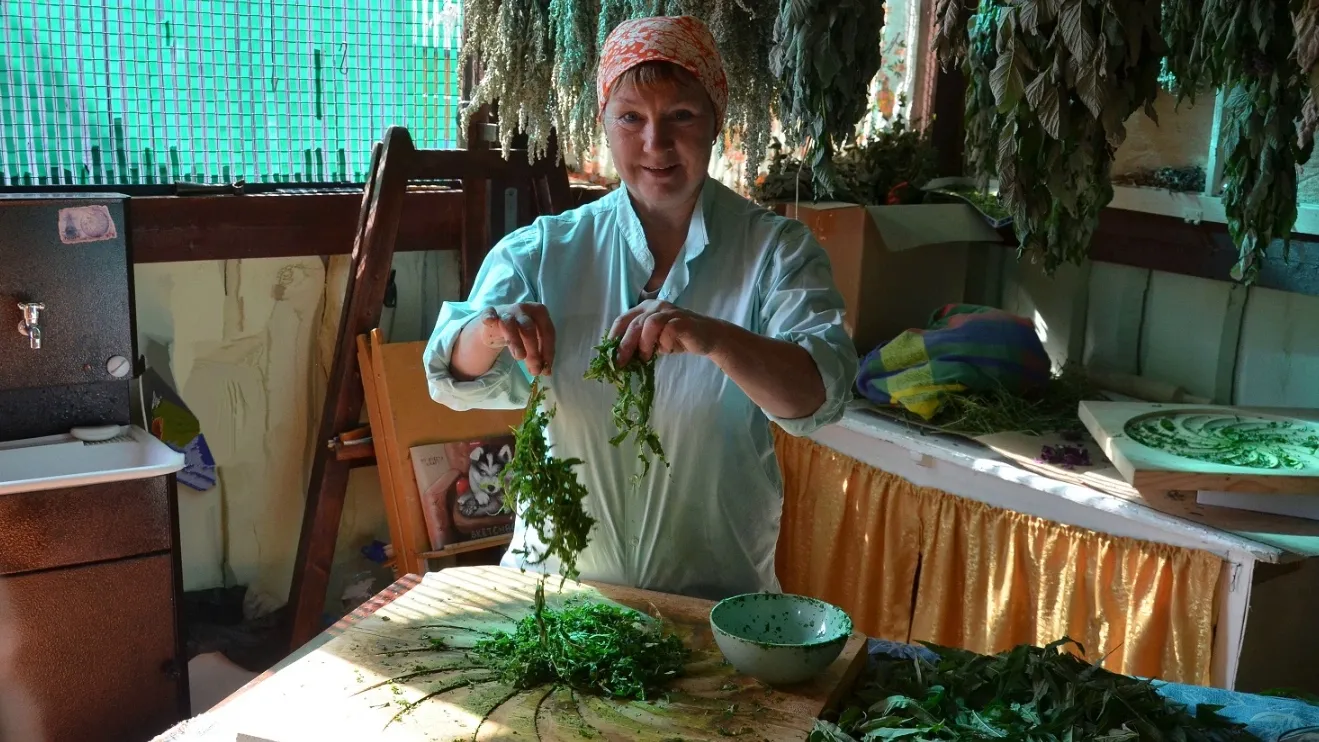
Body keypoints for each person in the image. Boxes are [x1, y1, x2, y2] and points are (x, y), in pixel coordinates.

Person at [423, 15, 858, 601]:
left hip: (712, 602)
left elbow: (817, 396)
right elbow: (453, 374)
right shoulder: (546, 250)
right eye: (631, 117)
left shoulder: (776, 253)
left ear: (715, 122)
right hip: (558, 594)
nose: (656, 144)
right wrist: (493, 330)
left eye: (680, 115)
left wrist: (717, 339)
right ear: (604, 124)